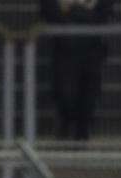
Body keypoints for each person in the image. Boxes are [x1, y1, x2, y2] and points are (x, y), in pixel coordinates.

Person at [41, 0, 114, 140]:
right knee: (65, 94)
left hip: (92, 51)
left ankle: (81, 136)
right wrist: (84, 12)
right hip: (64, 50)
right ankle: (68, 131)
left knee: (88, 97)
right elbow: (48, 10)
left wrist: (71, 10)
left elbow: (103, 14)